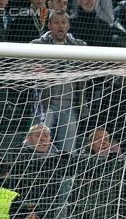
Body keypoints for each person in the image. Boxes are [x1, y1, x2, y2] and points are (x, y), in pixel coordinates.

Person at [30, 10, 87, 154]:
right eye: (56, 23)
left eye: (63, 23)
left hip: (69, 106)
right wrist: (33, 68)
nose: (60, 26)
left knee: (69, 152)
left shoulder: (80, 47)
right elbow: (18, 64)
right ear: (49, 25)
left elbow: (95, 64)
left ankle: (66, 176)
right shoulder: (37, 45)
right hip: (45, 105)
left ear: (68, 26)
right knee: (38, 146)